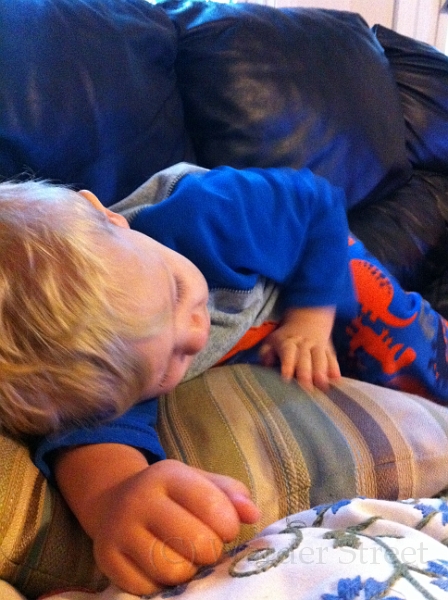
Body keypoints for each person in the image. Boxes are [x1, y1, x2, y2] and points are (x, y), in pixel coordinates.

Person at [1, 163, 447, 594]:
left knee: (402, 344)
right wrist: (115, 497)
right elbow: (90, 435)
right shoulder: (97, 364)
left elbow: (316, 203)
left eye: (176, 290)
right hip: (259, 335)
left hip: (312, 269)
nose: (195, 334)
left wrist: (310, 318)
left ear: (109, 218)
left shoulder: (205, 212)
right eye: (166, 366)